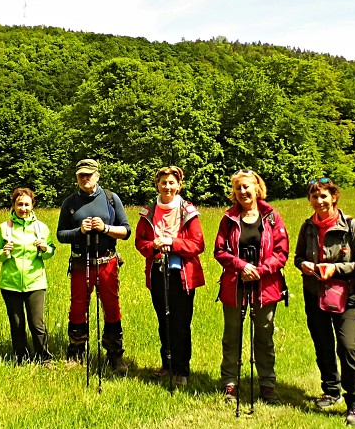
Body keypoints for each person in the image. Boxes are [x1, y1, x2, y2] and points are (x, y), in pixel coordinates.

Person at [295, 177, 355, 427]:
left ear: (334, 197)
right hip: (314, 294)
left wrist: (335, 269)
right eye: (315, 197)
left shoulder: (351, 226)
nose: (319, 201)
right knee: (323, 345)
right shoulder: (307, 227)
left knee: (348, 347)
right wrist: (304, 265)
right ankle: (330, 390)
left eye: (324, 196)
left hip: (347, 296)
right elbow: (297, 257)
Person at [214, 169, 289, 405]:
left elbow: (281, 252)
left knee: (264, 337)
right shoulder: (228, 218)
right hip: (235, 285)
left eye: (246, 187)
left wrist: (260, 270)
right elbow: (220, 251)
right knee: (231, 336)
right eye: (238, 188)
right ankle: (230, 383)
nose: (243, 192)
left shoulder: (272, 217)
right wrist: (241, 266)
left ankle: (267, 384)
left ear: (257, 188)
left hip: (266, 285)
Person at [57, 159, 132, 372]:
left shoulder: (110, 198)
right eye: (81, 175)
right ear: (77, 178)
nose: (85, 178)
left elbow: (126, 231)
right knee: (78, 307)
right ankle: (76, 353)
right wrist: (79, 231)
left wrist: (106, 228)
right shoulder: (70, 203)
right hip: (81, 263)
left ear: (98, 175)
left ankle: (115, 356)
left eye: (89, 174)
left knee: (112, 307)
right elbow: (61, 235)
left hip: (107, 261)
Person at [135, 166, 205, 387]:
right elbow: (140, 242)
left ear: (179, 185)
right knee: (163, 321)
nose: (167, 187)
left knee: (180, 322)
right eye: (163, 182)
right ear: (157, 184)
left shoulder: (188, 211)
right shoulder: (148, 211)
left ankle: (181, 370)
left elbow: (198, 244)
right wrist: (153, 245)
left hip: (183, 273)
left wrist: (172, 243)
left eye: (172, 183)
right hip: (157, 270)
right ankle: (167, 366)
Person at [0, 187, 56, 366]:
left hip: (35, 282)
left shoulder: (41, 228)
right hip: (10, 284)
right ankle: (22, 359)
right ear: (13, 205)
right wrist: (3, 253)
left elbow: (51, 251)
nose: (23, 208)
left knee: (37, 325)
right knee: (17, 325)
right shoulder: (4, 228)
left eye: (27, 204)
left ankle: (44, 358)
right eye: (20, 204)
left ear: (33, 205)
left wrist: (44, 249)